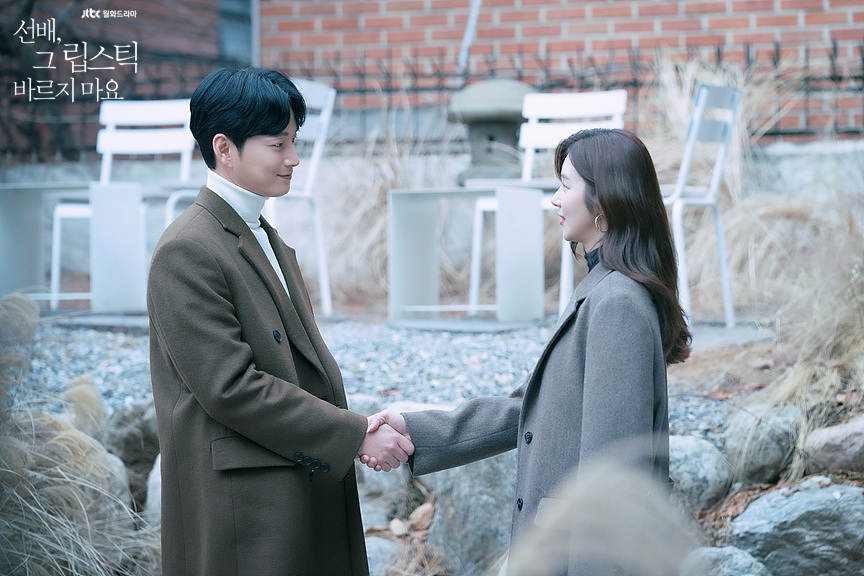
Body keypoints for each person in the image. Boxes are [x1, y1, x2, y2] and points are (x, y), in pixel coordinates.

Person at [363, 128, 691, 575]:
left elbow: (614, 478)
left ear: (605, 200)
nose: (555, 199)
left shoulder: (617, 303)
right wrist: (415, 427)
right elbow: (531, 407)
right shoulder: (602, 290)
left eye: (566, 185)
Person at [147, 66, 413, 576]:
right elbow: (231, 387)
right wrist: (354, 434)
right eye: (277, 144)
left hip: (288, 474)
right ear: (224, 148)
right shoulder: (187, 250)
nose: (293, 158)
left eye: (294, 141)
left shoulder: (265, 236)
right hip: (242, 505)